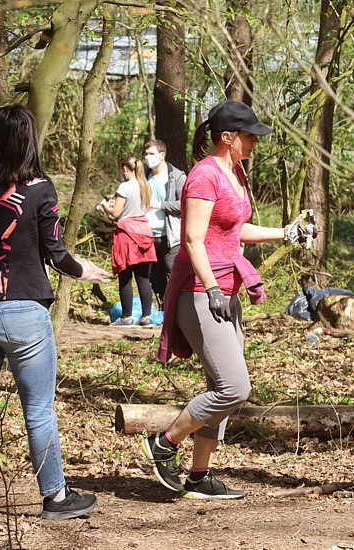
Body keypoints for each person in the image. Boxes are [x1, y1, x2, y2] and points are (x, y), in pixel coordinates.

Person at [0, 104, 108, 522]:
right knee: (39, 408)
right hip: (24, 314)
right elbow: (54, 251)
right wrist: (84, 270)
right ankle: (55, 497)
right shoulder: (39, 188)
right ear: (28, 141)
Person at [142, 100, 315, 499]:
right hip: (201, 292)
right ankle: (164, 443)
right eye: (250, 136)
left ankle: (199, 475)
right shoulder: (203, 177)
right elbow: (193, 239)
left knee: (219, 387)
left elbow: (235, 230)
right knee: (234, 388)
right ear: (227, 137)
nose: (255, 142)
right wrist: (214, 288)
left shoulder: (234, 171)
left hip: (225, 291)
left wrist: (285, 233)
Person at [99, 156, 157, 327]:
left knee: (125, 276)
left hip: (127, 234)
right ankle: (146, 317)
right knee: (143, 278)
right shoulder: (145, 186)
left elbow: (116, 213)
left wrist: (104, 206)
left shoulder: (124, 187)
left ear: (125, 168)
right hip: (144, 233)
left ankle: (126, 317)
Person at [144, 139, 187, 308]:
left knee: (172, 274)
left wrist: (159, 205)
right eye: (146, 154)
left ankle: (174, 312)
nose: (148, 157)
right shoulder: (144, 175)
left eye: (151, 154)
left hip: (171, 236)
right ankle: (162, 309)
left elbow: (184, 205)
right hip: (147, 235)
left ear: (162, 155)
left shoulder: (177, 176)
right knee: (153, 277)